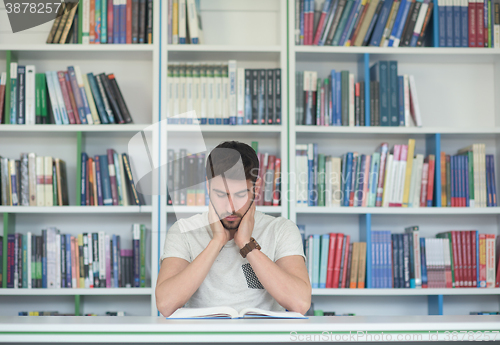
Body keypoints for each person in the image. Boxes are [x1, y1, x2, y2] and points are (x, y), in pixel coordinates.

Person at [156, 141, 311, 317]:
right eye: (221, 194)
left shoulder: (281, 229)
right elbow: (165, 304)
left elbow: (300, 303)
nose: (231, 207)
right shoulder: (183, 230)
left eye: (241, 195)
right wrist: (217, 241)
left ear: (256, 188)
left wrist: (246, 243)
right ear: (208, 187)